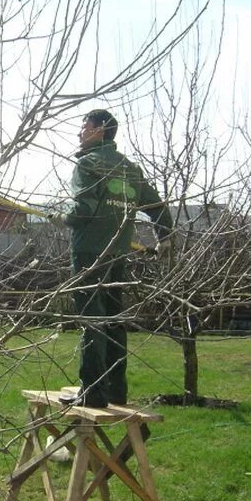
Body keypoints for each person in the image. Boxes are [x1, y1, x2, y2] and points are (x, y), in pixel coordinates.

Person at [51, 109, 173, 408]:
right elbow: (157, 205)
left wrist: (60, 218)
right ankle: (115, 391)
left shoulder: (89, 164)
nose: (79, 132)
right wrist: (165, 237)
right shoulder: (129, 168)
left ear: (100, 130)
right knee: (114, 321)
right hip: (117, 255)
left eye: (84, 126)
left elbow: (83, 211)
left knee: (92, 320)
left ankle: (92, 393)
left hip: (89, 254)